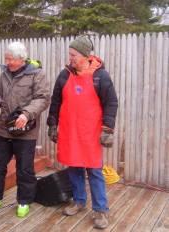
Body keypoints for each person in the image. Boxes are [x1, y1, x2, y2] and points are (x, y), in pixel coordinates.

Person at [47, 35, 118, 229]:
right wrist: (52, 124)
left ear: (86, 56)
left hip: (91, 134)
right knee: (74, 167)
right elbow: (55, 101)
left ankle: (101, 210)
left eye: (73, 54)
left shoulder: (100, 76)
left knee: (94, 171)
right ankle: (79, 201)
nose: (70, 58)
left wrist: (108, 129)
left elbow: (111, 103)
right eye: (70, 54)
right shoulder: (64, 75)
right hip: (70, 131)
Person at [0, 42, 50, 218]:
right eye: (6, 58)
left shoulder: (36, 74)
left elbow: (43, 98)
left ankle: (24, 201)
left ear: (21, 59)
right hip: (3, 128)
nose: (7, 62)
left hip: (26, 130)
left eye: (10, 59)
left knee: (24, 168)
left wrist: (26, 114)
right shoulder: (4, 75)